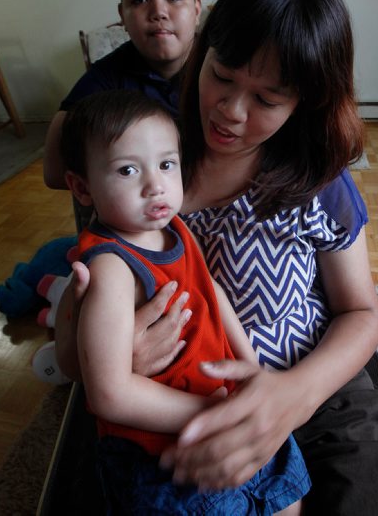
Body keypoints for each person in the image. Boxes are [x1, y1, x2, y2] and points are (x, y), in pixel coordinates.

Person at [57, 0, 378, 514]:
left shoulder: (315, 177)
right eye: (222, 75)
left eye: (267, 100)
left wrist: (293, 396)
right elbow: (85, 350)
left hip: (313, 387)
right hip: (175, 394)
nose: (231, 110)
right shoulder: (148, 158)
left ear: (304, 104)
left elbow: (362, 312)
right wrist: (118, 356)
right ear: (203, 50)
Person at [60, 88, 309, 514]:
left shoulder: (175, 227)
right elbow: (109, 393)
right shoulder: (111, 269)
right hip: (161, 451)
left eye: (166, 164)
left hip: (220, 403)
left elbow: (211, 290)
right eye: (126, 171)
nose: (154, 185)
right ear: (82, 188)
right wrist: (210, 412)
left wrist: (251, 367)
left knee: (287, 489)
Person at [43, 0, 202, 190]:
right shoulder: (107, 78)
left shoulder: (224, 65)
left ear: (196, 10)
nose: (158, 12)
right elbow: (54, 171)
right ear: (122, 16)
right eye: (139, 0)